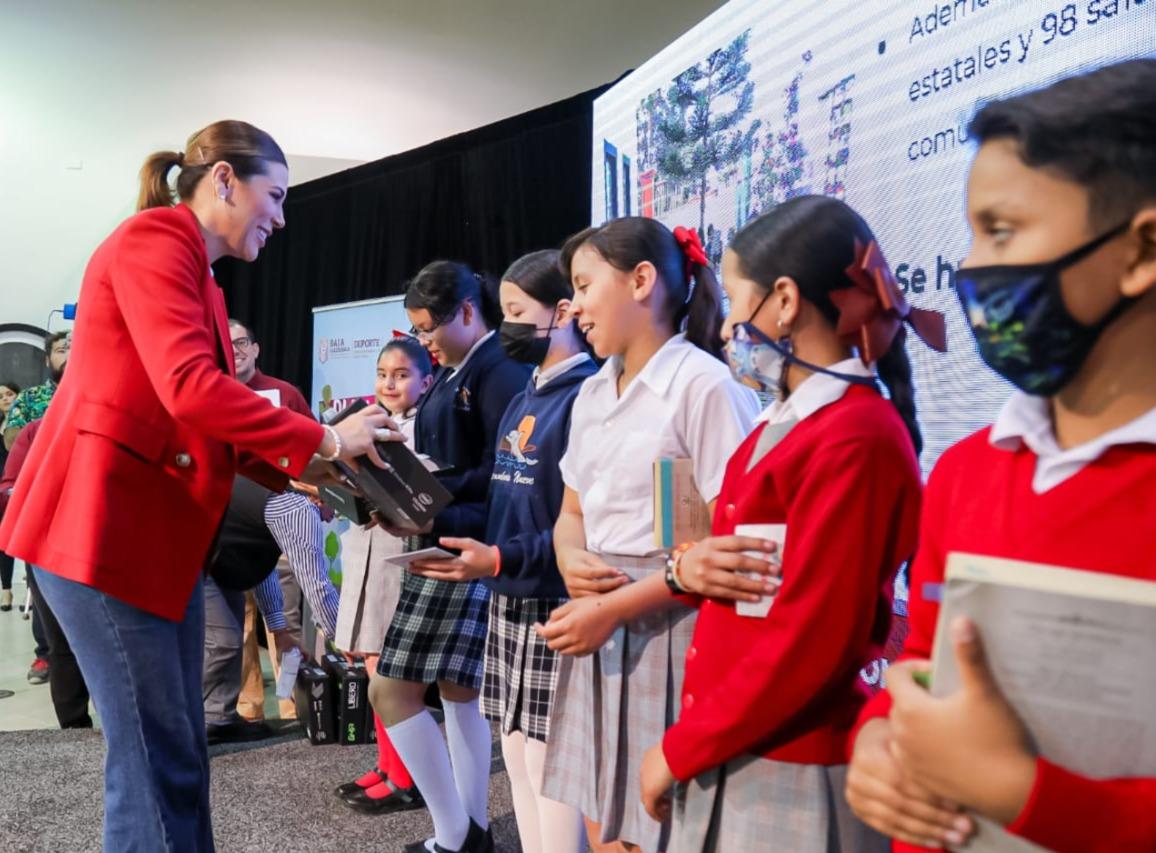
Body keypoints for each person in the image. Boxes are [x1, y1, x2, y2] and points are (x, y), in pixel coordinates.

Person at [0, 120, 395, 853]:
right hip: (101, 537)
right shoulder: (154, 242)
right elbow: (190, 389)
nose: (279, 215)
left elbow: (198, 422)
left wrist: (318, 468)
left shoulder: (200, 277)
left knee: (173, 753)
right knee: (157, 756)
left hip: (147, 544)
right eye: (273, 195)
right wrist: (327, 439)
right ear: (222, 181)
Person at [845, 59, 1156, 852]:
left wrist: (1025, 794)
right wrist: (878, 738)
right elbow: (924, 657)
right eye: (973, 234)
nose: (972, 268)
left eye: (1003, 230)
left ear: (1142, 246)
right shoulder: (967, 471)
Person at [636, 196, 946, 852]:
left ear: (783, 300)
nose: (724, 330)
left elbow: (813, 637)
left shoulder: (856, 435)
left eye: (735, 305)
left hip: (790, 755)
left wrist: (682, 745)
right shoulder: (791, 420)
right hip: (741, 738)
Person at [534, 218, 760, 853]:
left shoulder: (703, 386)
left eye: (582, 285)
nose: (573, 306)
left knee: (661, 827)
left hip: (673, 626)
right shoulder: (592, 393)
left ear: (641, 280)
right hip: (600, 622)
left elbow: (728, 546)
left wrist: (613, 606)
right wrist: (571, 555)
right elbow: (571, 512)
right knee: (604, 822)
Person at [408, 249, 597, 853]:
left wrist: (500, 557)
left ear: (561, 312)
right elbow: (494, 485)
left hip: (553, 598)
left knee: (550, 768)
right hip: (507, 597)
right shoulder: (526, 397)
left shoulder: (587, 397)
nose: (506, 325)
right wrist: (419, 504)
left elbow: (579, 525)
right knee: (514, 754)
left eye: (516, 312)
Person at [369, 260, 530, 853]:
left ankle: (457, 832)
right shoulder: (463, 367)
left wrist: (434, 511)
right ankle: (464, 833)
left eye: (426, 328)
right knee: (458, 693)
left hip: (463, 548)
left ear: (467, 310)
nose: (423, 341)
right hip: (447, 540)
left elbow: (504, 475)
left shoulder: (499, 370)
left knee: (395, 690)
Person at [335, 336, 432, 816]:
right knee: (371, 662)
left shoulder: (423, 429)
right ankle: (387, 763)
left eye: (401, 375)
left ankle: (406, 775)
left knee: (388, 669)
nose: (389, 383)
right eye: (382, 374)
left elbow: (420, 496)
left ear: (426, 381)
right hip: (363, 549)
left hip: (397, 554)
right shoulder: (364, 422)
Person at [1, 418, 93, 727]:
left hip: (109, 544)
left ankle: (127, 729)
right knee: (61, 642)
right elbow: (8, 487)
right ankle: (74, 728)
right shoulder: (37, 429)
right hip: (49, 544)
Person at [2, 332, 68, 450]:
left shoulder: (95, 398)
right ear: (47, 360)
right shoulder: (29, 397)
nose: (69, 356)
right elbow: (11, 442)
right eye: (61, 351)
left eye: (75, 350)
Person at [0, 379, 20, 611]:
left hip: (21, 484)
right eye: (1, 396)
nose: (6, 398)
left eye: (9, 393)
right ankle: (6, 591)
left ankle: (35, 595)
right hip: (1, 491)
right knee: (3, 540)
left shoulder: (26, 423)